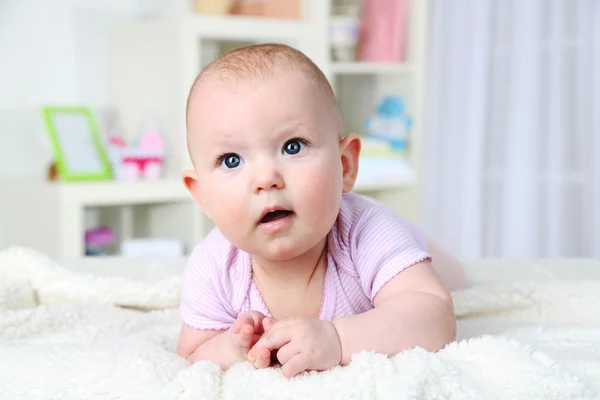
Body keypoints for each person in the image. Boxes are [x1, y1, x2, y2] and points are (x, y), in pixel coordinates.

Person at [176, 43, 464, 379]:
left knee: (456, 277)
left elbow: (435, 315)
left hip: (423, 252)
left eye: (292, 146)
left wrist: (338, 339)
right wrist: (230, 348)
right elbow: (192, 351)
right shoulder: (213, 265)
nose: (266, 179)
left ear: (344, 166)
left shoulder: (369, 232)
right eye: (231, 160)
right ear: (202, 197)